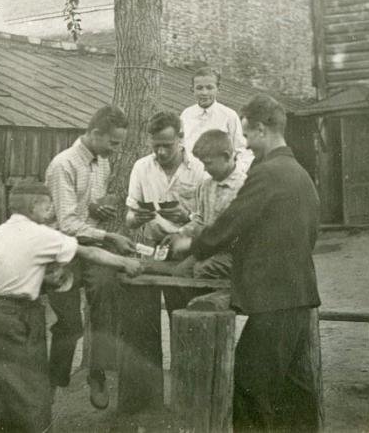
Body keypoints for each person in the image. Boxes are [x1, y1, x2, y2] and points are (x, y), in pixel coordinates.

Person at [169, 94, 323, 432]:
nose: (247, 145)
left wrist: (192, 244)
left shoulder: (268, 173)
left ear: (263, 129)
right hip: (298, 294)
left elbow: (233, 221)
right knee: (295, 391)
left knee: (250, 387)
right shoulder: (298, 172)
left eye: (249, 135)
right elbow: (310, 234)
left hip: (275, 298)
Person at [0, 182, 142, 433]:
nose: (52, 214)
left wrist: (43, 278)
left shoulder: (0, 232)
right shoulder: (41, 234)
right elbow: (87, 252)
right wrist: (125, 263)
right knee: (29, 396)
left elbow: (10, 270)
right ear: (35, 206)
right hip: (12, 318)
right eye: (48, 208)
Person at [45, 105, 135, 409]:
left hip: (90, 248)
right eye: (113, 142)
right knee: (69, 322)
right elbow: (68, 223)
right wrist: (110, 236)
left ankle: (97, 373)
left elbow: (86, 209)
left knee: (107, 289)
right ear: (95, 133)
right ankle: (54, 381)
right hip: (62, 250)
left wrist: (97, 208)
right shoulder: (63, 164)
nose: (116, 149)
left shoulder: (102, 163)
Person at [162, 129, 246, 313]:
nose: (205, 169)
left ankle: (212, 311)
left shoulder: (243, 188)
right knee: (179, 274)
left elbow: (236, 233)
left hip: (233, 253)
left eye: (208, 163)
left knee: (203, 269)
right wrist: (179, 233)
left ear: (226, 156)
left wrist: (194, 244)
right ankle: (188, 323)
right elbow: (199, 219)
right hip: (206, 250)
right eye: (202, 164)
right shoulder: (206, 186)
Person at [125, 111, 207, 246]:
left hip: (189, 244)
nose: (161, 152)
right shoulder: (141, 167)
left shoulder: (200, 168)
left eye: (167, 146)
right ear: (150, 140)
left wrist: (186, 217)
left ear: (180, 138)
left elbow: (211, 220)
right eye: (156, 146)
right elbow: (130, 219)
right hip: (153, 245)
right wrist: (137, 218)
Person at [180, 65, 253, 172]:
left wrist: (235, 174)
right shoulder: (186, 114)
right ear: (192, 89)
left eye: (209, 87)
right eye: (199, 88)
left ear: (218, 89)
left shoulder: (229, 116)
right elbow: (181, 147)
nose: (204, 93)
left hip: (218, 177)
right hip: (189, 176)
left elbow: (244, 151)